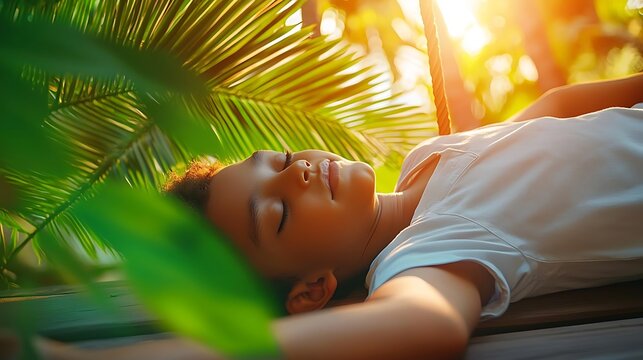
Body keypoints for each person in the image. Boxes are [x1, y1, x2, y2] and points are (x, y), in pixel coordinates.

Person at [32, 73, 643, 359]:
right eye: (276, 214)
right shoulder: (425, 258)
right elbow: (425, 327)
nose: (297, 174)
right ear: (311, 290)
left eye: (281, 160)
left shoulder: (425, 161)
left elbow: (557, 106)